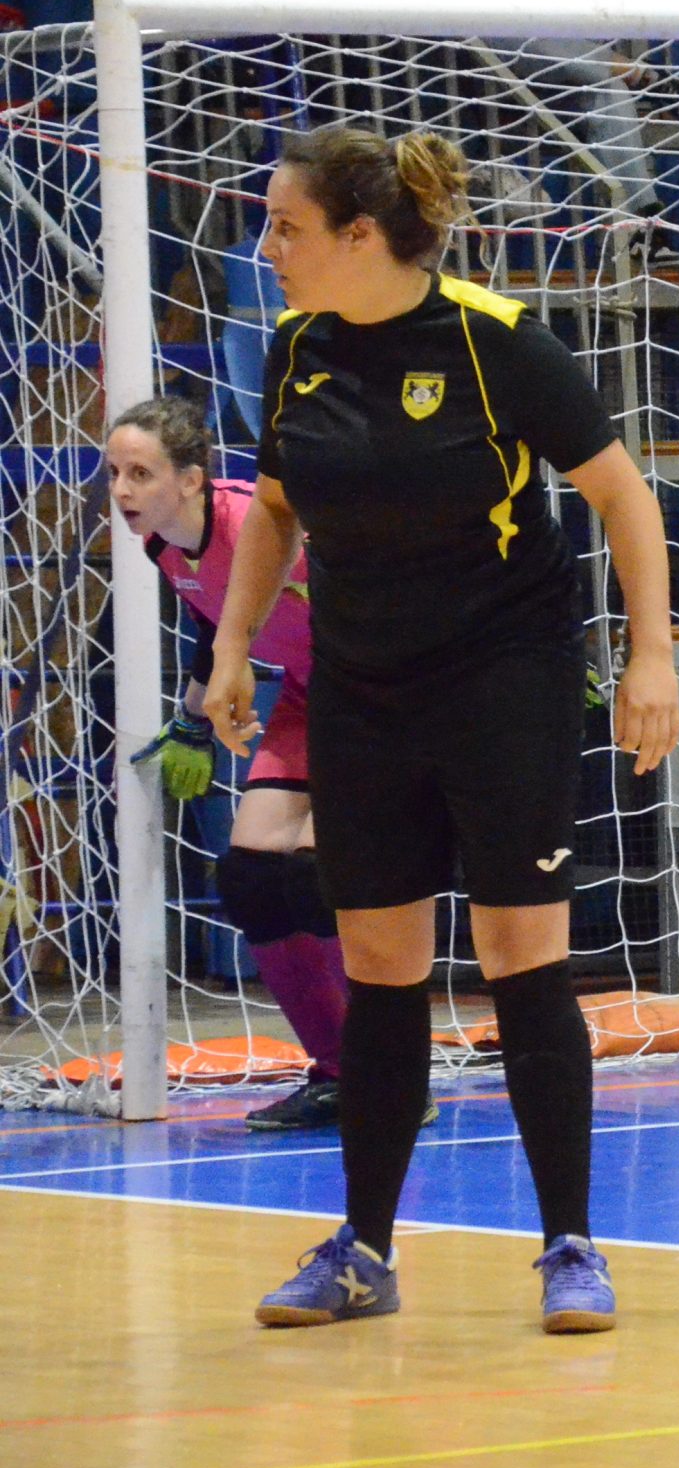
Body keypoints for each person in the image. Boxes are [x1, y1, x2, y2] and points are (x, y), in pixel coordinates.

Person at [211, 124, 678, 1332]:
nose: (269, 247)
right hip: (363, 690)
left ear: (362, 235)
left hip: (503, 680)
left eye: (287, 227)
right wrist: (232, 645)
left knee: (523, 953)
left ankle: (571, 1245)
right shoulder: (298, 347)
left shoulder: (495, 341)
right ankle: (363, 1252)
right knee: (380, 966)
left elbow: (623, 498)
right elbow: (275, 511)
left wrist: (652, 656)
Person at [111, 399, 439, 1134]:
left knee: (321, 877)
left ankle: (395, 1073)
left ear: (191, 479)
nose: (123, 490)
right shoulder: (163, 547)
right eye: (114, 473)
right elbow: (214, 627)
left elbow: (393, 577)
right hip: (309, 694)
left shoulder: (264, 524)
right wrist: (191, 722)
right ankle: (340, 1073)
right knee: (253, 879)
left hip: (386, 691)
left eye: (141, 473)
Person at [387, 0, 679, 269]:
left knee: (607, 93)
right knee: (492, 19)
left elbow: (542, 26)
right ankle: (638, 73)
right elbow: (399, 6)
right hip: (454, 73)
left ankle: (644, 229)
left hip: (521, 82)